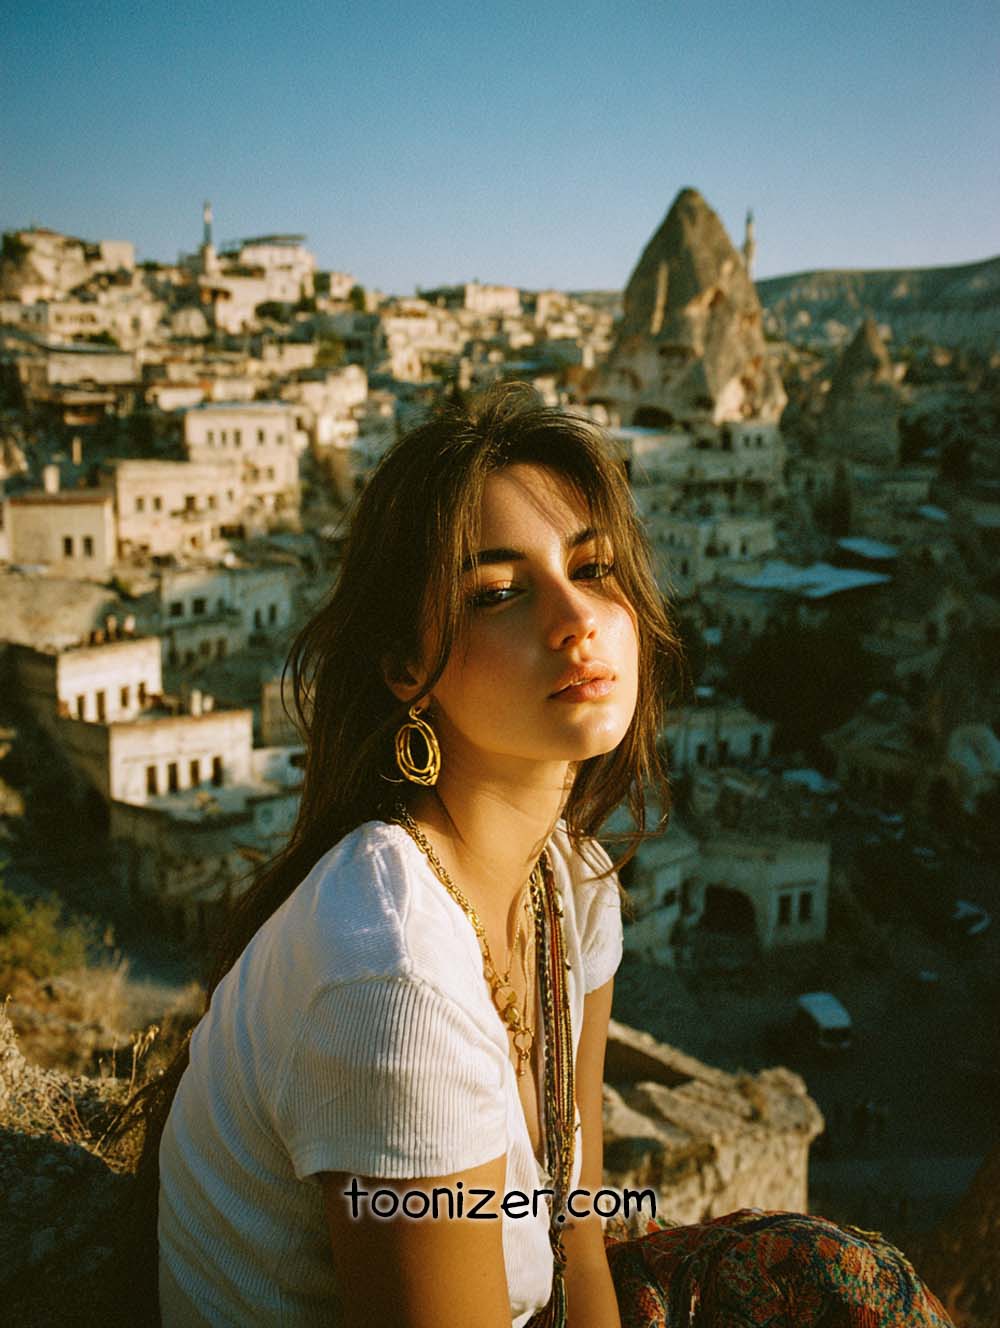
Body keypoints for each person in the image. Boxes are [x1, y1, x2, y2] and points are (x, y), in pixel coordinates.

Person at [127, 384, 953, 1328]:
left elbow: (574, 1224)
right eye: (498, 594)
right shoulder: (393, 977)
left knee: (831, 1279)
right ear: (406, 665)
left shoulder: (568, 883)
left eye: (594, 570)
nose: (577, 619)